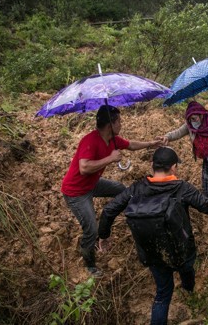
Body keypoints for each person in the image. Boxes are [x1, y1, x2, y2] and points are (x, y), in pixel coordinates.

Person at [98, 146, 208, 325]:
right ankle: (189, 291)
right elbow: (207, 206)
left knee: (162, 293)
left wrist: (104, 236)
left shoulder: (136, 188)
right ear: (174, 167)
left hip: (151, 252)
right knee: (187, 269)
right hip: (181, 249)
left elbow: (108, 211)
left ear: (152, 165)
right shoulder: (182, 188)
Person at [61, 104, 161, 276]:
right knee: (91, 229)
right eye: (119, 122)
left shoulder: (113, 139)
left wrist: (152, 143)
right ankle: (89, 263)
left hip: (92, 184)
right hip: (76, 192)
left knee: (121, 190)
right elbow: (84, 167)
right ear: (110, 125)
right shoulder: (90, 140)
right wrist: (110, 158)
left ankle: (126, 218)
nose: (121, 125)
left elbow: (131, 145)